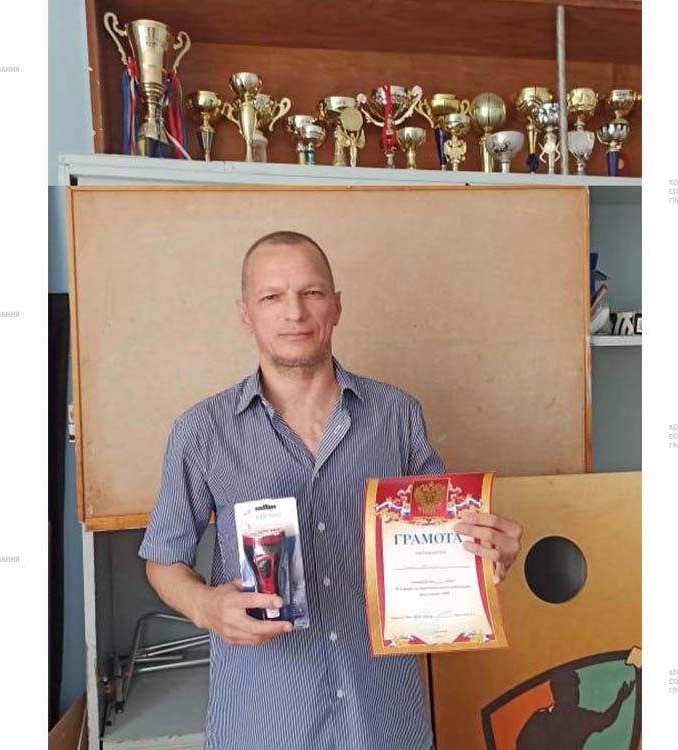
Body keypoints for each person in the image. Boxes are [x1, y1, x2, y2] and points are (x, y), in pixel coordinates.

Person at [139, 230, 525, 750]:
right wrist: (206, 607)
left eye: (312, 293)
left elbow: (445, 538)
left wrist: (484, 555)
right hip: (265, 726)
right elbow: (163, 561)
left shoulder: (396, 415)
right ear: (245, 314)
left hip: (386, 722)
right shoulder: (201, 431)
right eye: (272, 297)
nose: (295, 312)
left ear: (336, 306)